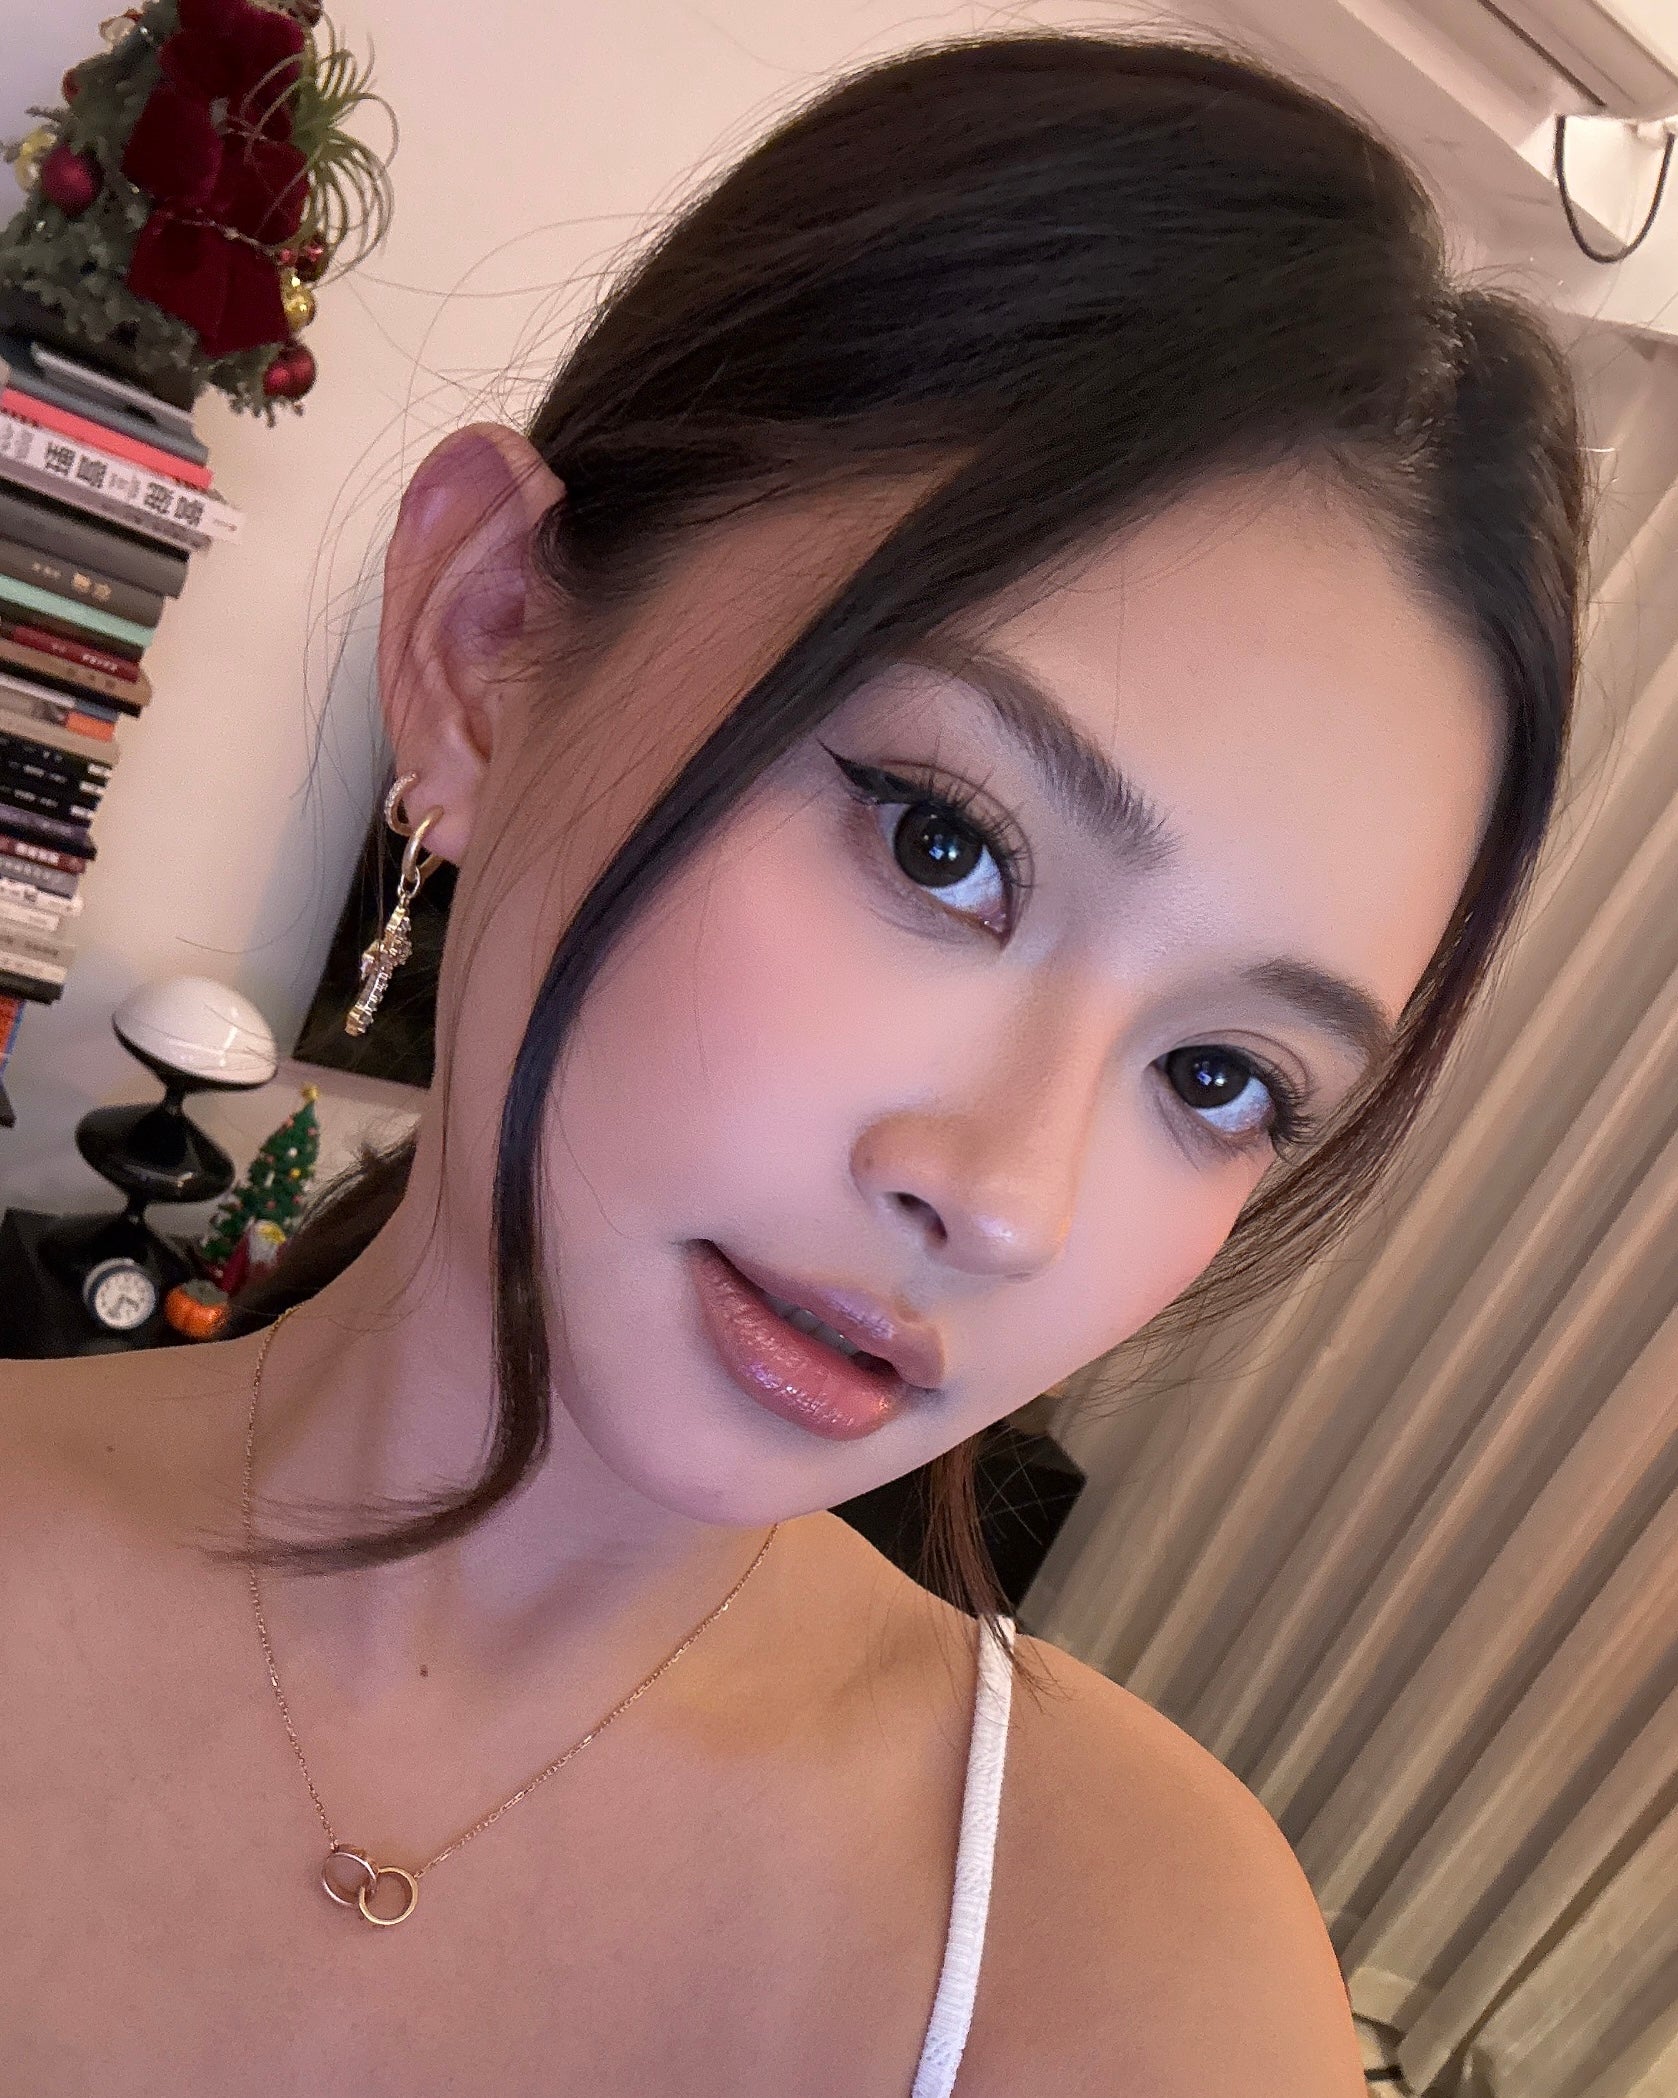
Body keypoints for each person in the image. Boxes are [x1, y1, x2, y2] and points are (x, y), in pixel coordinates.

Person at [0, 29, 1586, 2097]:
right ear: (485, 645)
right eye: (944, 844)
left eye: (1218, 1076)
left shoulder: (1144, 1972)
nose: (1001, 1198)